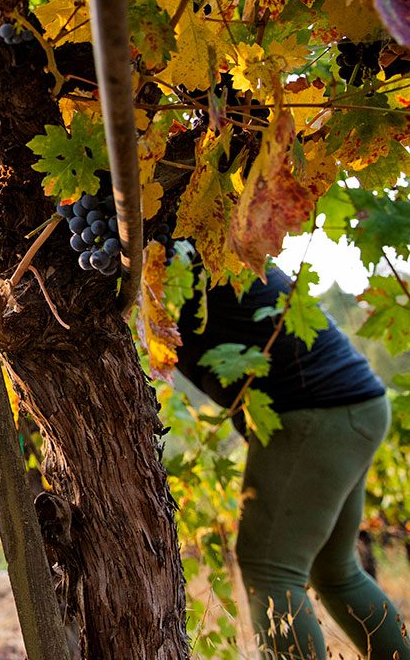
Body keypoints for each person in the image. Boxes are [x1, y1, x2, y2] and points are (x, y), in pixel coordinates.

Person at [175, 261, 409, 660]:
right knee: (335, 571)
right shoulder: (219, 237)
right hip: (355, 404)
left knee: (269, 572)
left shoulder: (178, 248)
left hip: (315, 413)